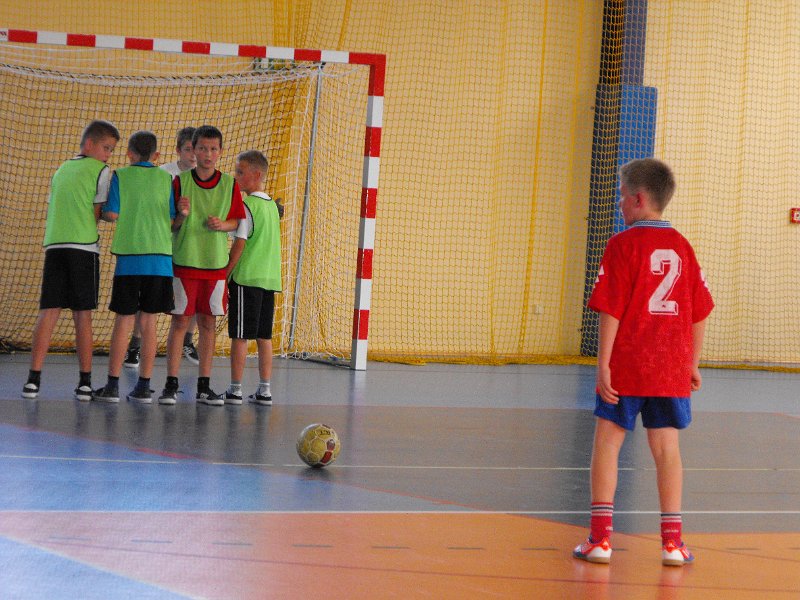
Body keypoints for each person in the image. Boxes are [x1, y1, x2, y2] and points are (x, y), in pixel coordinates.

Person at [572, 158, 714, 567]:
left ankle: (600, 540)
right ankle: (672, 544)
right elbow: (700, 312)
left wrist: (603, 364)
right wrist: (691, 363)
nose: (619, 204)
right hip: (670, 368)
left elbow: (611, 309)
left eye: (621, 196)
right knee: (667, 450)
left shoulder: (622, 245)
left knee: (608, 442)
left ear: (637, 199)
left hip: (629, 365)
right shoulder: (683, 247)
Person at [22, 120, 120, 401]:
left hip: (55, 246)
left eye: (111, 150)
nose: (108, 155)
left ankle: (33, 381)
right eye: (106, 148)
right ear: (89, 144)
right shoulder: (102, 171)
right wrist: (112, 215)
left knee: (48, 312)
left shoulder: (61, 169)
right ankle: (85, 383)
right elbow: (98, 212)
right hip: (83, 247)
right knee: (82, 315)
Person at [157, 125, 246, 406]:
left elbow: (236, 222)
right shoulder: (179, 182)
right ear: (194, 150)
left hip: (215, 265)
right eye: (203, 148)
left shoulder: (230, 184)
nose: (208, 154)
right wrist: (182, 215)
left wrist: (222, 225)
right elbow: (171, 225)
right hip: (185, 262)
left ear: (220, 152)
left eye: (213, 149)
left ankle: (204, 386)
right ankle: (171, 384)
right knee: (180, 322)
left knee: (208, 323)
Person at [92, 130, 176, 404]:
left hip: (129, 259)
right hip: (160, 260)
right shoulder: (167, 179)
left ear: (129, 153)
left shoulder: (121, 176)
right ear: (156, 155)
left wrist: (99, 211)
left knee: (124, 321)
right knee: (149, 322)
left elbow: (112, 213)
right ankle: (144, 386)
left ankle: (112, 386)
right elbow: (173, 219)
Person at [124, 126, 199, 369]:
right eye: (188, 149)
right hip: (162, 246)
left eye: (196, 149)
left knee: (195, 297)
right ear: (178, 150)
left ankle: (188, 339)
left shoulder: (205, 177)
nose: (193, 155)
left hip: (192, 247)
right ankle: (135, 345)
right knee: (148, 301)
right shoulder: (164, 174)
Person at [224, 150, 282, 406]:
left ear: (256, 175)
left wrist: (225, 274)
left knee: (240, 336)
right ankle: (264, 390)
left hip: (246, 279)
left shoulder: (248, 206)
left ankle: (235, 389)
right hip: (269, 280)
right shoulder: (272, 207)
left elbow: (240, 244)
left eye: (240, 172)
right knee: (263, 337)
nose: (236, 176)